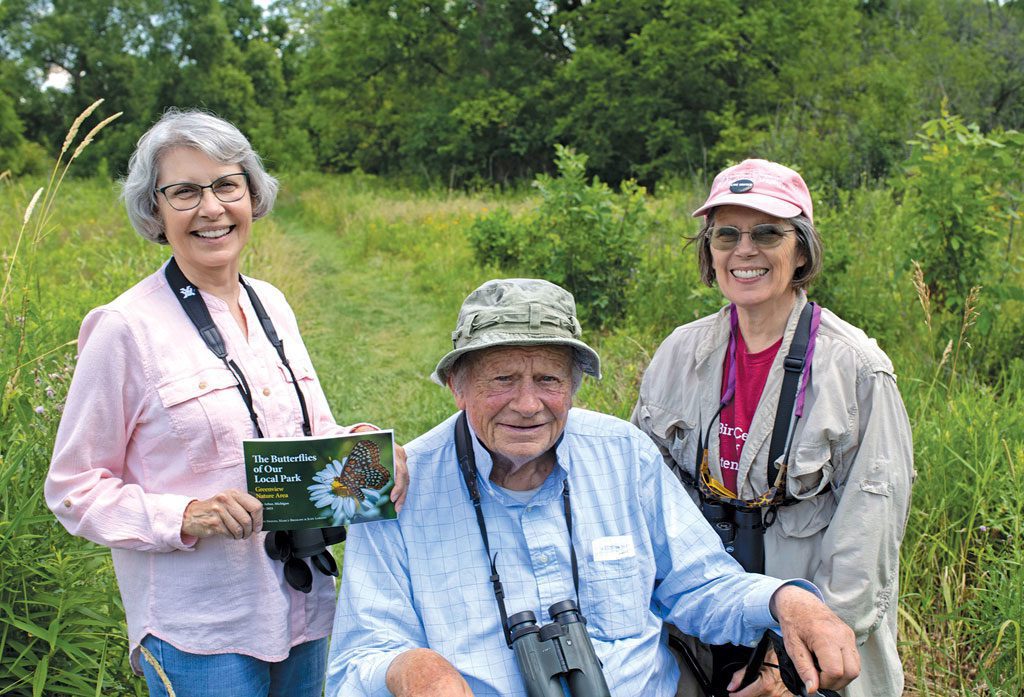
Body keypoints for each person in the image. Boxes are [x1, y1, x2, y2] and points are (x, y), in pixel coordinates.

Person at [325, 278, 860, 697]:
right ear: (456, 385)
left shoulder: (622, 454)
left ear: (575, 386)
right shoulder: (398, 485)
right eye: (503, 379)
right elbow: (360, 656)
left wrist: (788, 601)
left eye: (550, 380)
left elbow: (699, 585)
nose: (529, 404)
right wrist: (417, 669)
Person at [44, 109, 405, 697]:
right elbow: (73, 487)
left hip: (305, 605)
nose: (210, 208)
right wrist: (184, 516)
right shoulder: (124, 329)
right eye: (184, 191)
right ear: (154, 211)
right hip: (201, 630)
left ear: (251, 196)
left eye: (226, 185)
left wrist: (362, 449)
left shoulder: (272, 304)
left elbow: (304, 436)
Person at [632, 159, 914, 696]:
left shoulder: (855, 368)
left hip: (814, 644)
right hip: (698, 629)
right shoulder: (677, 355)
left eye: (767, 233)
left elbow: (868, 536)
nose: (745, 250)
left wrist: (785, 665)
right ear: (708, 250)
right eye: (726, 235)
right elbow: (640, 496)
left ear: (801, 249)